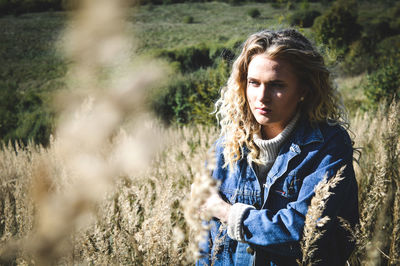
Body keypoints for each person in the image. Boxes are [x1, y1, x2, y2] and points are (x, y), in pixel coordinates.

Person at [196, 29, 359, 266]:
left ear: (303, 89)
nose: (262, 97)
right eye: (254, 83)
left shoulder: (328, 146)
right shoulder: (224, 148)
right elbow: (207, 243)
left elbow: (304, 231)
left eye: (277, 85)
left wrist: (227, 213)